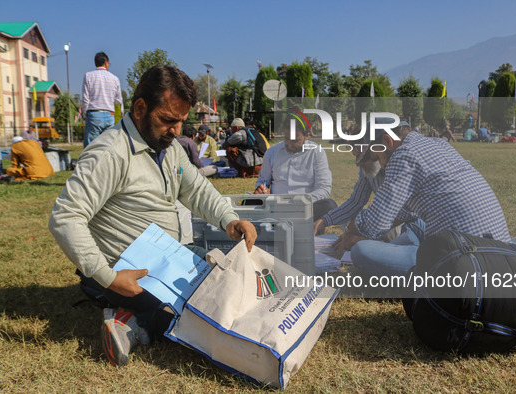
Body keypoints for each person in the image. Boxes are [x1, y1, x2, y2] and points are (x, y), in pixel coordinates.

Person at [49, 65, 257, 367]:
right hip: (124, 270)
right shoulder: (110, 153)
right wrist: (108, 277)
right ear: (140, 108)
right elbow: (65, 216)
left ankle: (137, 320)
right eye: (168, 120)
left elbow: (196, 189)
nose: (175, 131)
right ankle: (131, 322)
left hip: (169, 257)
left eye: (181, 122)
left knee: (226, 282)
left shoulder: (167, 146)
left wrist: (228, 218)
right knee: (197, 318)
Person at [314, 120, 510, 278]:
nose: (381, 165)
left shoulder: (403, 155)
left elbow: (376, 222)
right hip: (501, 252)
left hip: (463, 261)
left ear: (387, 141)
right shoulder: (438, 144)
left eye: (377, 156)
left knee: (361, 252)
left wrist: (351, 237)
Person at [254, 124, 337, 221]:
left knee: (330, 205)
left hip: (305, 207)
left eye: (295, 140)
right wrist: (262, 188)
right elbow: (263, 180)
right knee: (246, 203)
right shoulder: (272, 152)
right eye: (286, 138)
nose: (289, 144)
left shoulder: (316, 152)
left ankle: (292, 221)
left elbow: (324, 188)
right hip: (276, 205)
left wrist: (300, 202)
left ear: (307, 135)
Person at [81, 52, 123, 147]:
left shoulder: (88, 76)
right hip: (109, 115)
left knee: (90, 147)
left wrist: (85, 114)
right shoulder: (115, 79)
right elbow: (118, 100)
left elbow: (85, 99)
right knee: (107, 146)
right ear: (106, 63)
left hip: (94, 115)